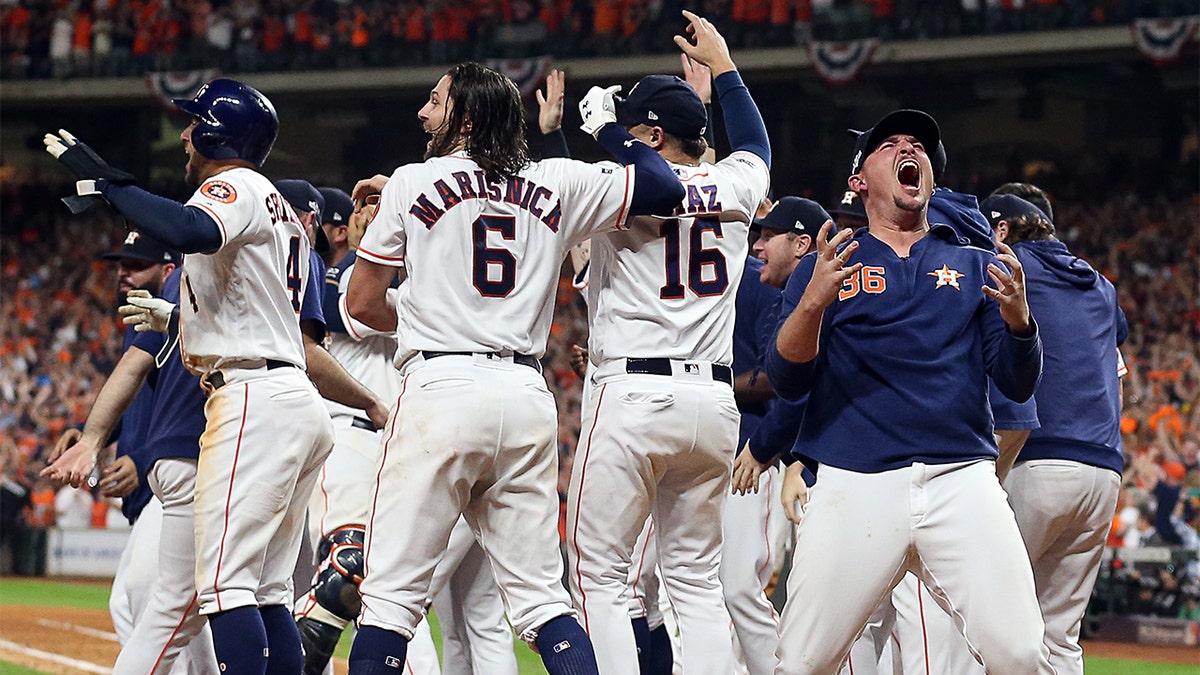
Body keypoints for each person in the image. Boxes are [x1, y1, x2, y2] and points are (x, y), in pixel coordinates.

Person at [343, 59, 685, 674]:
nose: (423, 112)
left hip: (440, 390)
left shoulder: (411, 181)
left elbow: (362, 305)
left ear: (466, 119)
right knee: (542, 603)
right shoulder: (556, 180)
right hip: (525, 396)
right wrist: (612, 131)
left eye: (435, 100)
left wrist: (427, 309)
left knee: (391, 600)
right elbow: (663, 186)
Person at [43, 77, 335, 674]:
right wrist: (180, 317)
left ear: (216, 133)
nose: (184, 133)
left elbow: (188, 231)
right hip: (292, 399)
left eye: (194, 122)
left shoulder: (236, 186)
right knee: (270, 589)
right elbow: (253, 310)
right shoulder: (281, 213)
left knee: (224, 588)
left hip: (253, 399)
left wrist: (108, 182)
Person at [766, 109, 1053, 674]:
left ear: (930, 176)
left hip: (960, 477)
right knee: (801, 662)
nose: (909, 149)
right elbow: (786, 377)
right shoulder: (831, 262)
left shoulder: (976, 263)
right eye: (891, 144)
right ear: (859, 179)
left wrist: (1021, 324)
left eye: (919, 145)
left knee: (1020, 654)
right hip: (855, 477)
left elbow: (1017, 382)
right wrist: (813, 302)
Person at [566, 10, 771, 674]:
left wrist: (596, 130)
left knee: (599, 574)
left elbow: (626, 184)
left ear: (650, 135)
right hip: (711, 405)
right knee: (693, 580)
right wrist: (728, 68)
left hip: (633, 393)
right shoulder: (737, 185)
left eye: (631, 124)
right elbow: (757, 149)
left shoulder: (622, 184)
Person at [43, 232, 222, 674]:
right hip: (165, 479)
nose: (124, 273)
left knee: (147, 596)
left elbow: (190, 405)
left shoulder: (184, 307)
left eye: (137, 265)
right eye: (121, 264)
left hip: (187, 472)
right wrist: (91, 435)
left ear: (168, 270)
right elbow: (145, 398)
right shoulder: (145, 323)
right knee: (150, 602)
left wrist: (139, 461)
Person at [982, 191, 1128, 675]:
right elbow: (1118, 371)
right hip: (1104, 470)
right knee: (1060, 636)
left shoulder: (1002, 268)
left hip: (1037, 460)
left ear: (1001, 230)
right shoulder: (1100, 286)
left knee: (981, 615)